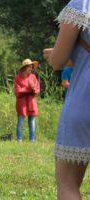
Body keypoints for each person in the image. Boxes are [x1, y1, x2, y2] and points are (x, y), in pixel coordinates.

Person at [43, 0, 90, 199]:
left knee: (68, 183)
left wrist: (53, 55)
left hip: (84, 100)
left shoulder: (82, 5)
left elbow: (58, 61)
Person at [14, 59, 40, 142]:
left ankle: (32, 140)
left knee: (32, 122)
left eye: (31, 66)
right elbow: (18, 91)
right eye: (29, 66)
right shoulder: (18, 78)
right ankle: (19, 140)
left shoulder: (33, 77)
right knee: (20, 122)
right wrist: (29, 88)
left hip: (31, 102)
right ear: (24, 68)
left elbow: (37, 89)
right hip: (21, 103)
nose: (31, 68)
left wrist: (33, 89)